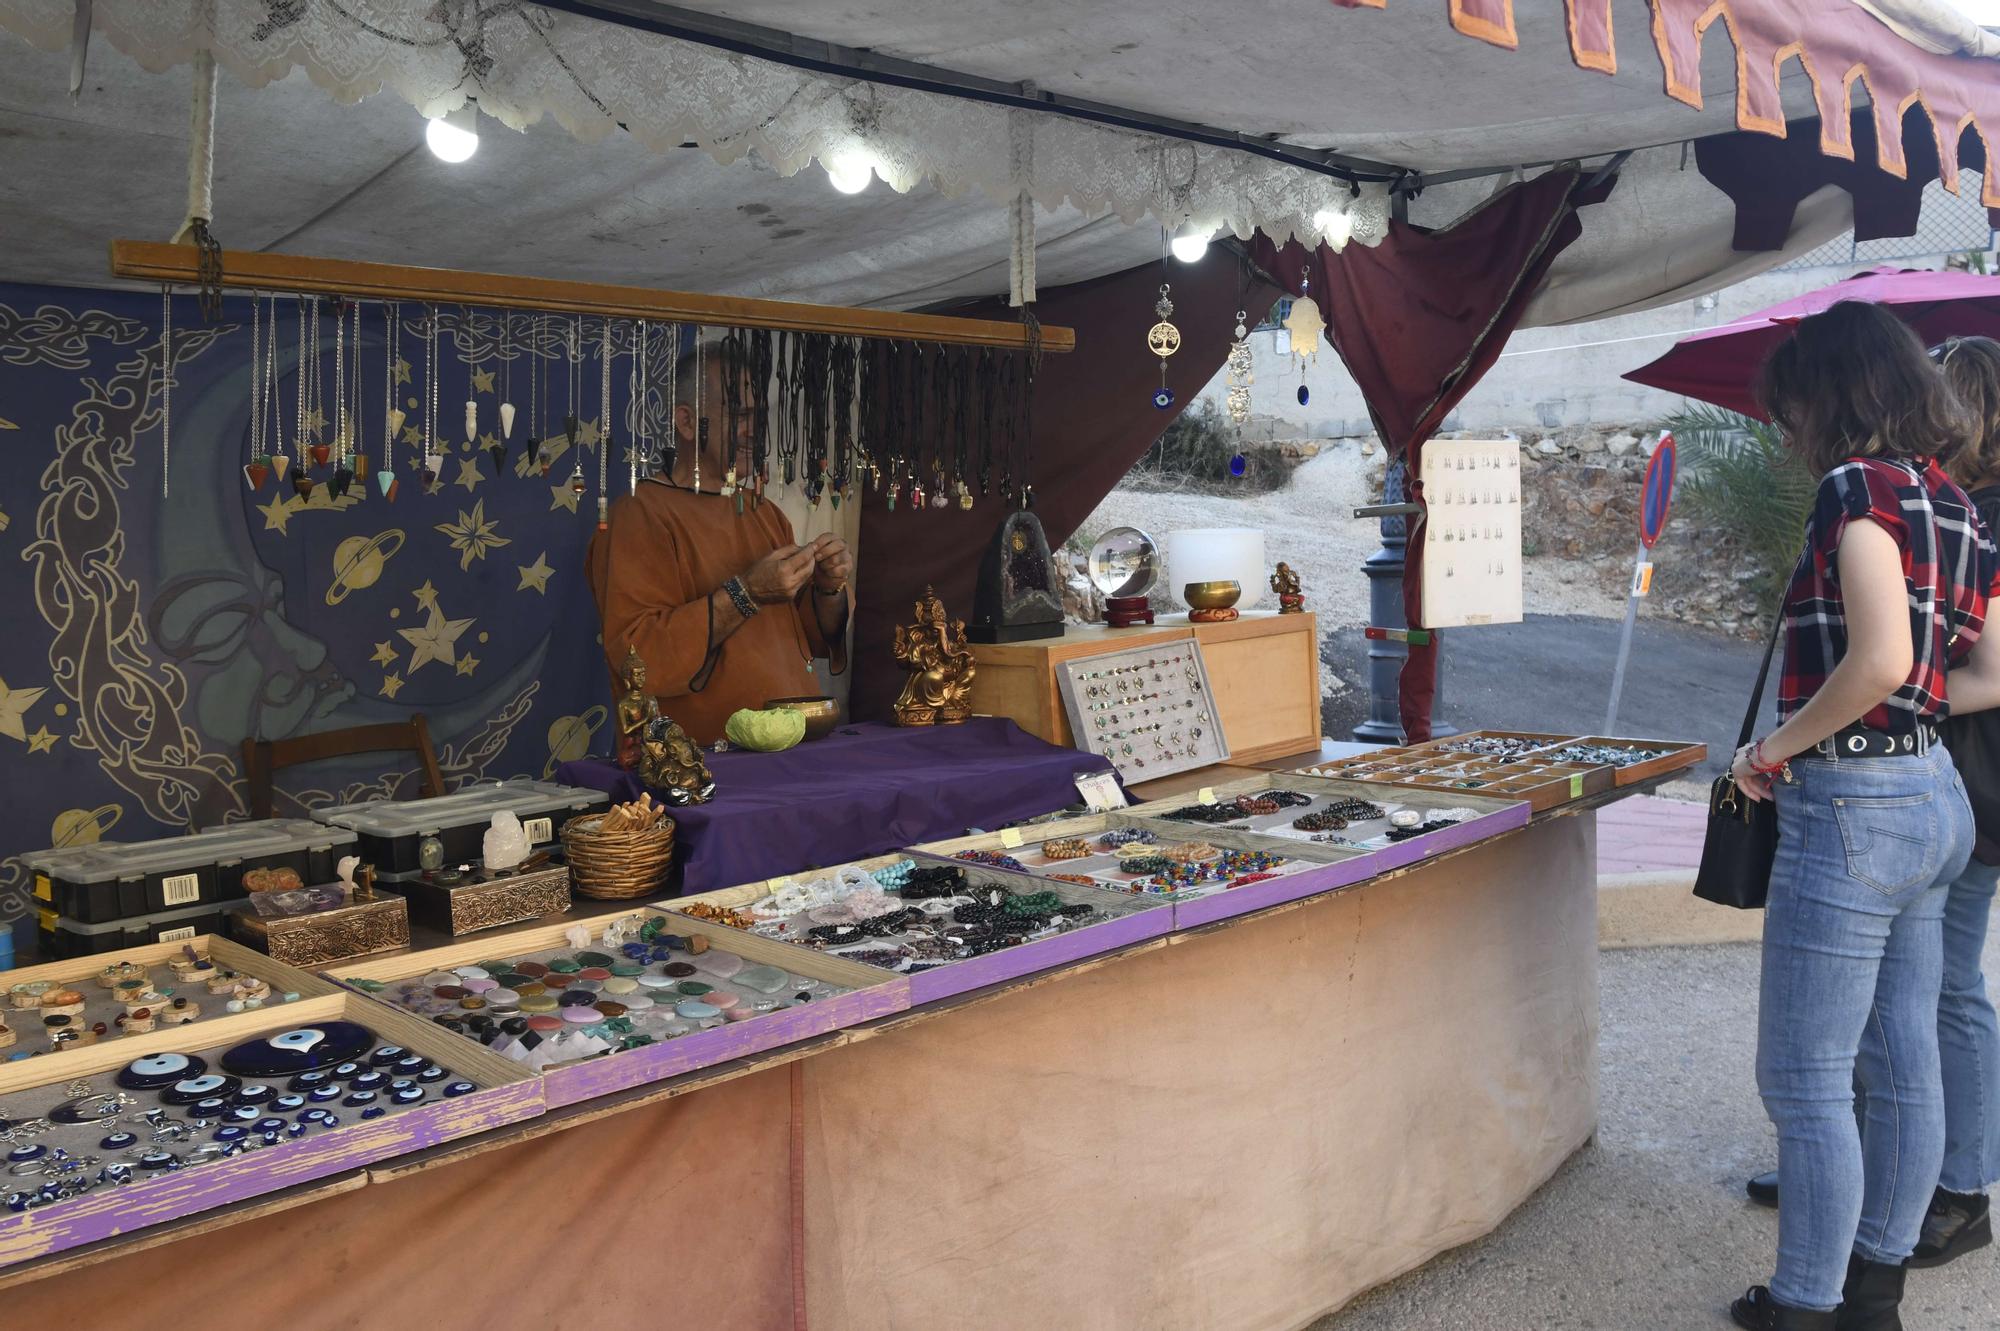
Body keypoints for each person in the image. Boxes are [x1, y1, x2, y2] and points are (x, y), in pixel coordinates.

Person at [1725, 302, 1990, 1331]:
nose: (1790, 427)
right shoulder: (1956, 504)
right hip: (1932, 793)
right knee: (1902, 1055)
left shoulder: (1855, 487)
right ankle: (1870, 1291)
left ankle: (1802, 1303)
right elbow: (1987, 673)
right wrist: (1910, 701)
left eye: (1793, 404)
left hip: (1854, 800)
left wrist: (1770, 747)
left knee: (1802, 1075)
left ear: (1830, 394)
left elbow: (1877, 660)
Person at [588, 338, 851, 746]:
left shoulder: (763, 512)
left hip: (792, 750)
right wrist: (747, 593)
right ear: (687, 422)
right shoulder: (641, 513)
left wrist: (829, 588)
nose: (755, 431)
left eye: (759, 417)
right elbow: (638, 657)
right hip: (701, 763)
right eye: (740, 415)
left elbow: (813, 639)